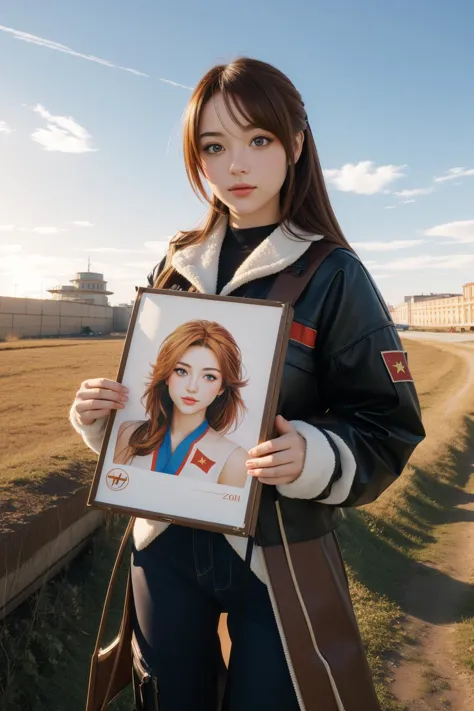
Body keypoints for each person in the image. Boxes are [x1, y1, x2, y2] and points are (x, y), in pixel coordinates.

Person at [70, 56, 425, 711]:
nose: (236, 164)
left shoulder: (333, 273)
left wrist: (312, 453)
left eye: (258, 140)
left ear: (295, 145)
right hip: (163, 546)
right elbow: (155, 403)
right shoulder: (174, 266)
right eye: (214, 145)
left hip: (277, 557)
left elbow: (390, 425)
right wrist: (106, 419)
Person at [112, 319, 249, 488]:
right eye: (181, 371)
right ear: (167, 375)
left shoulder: (234, 459)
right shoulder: (129, 433)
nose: (192, 387)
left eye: (209, 377)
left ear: (222, 387)